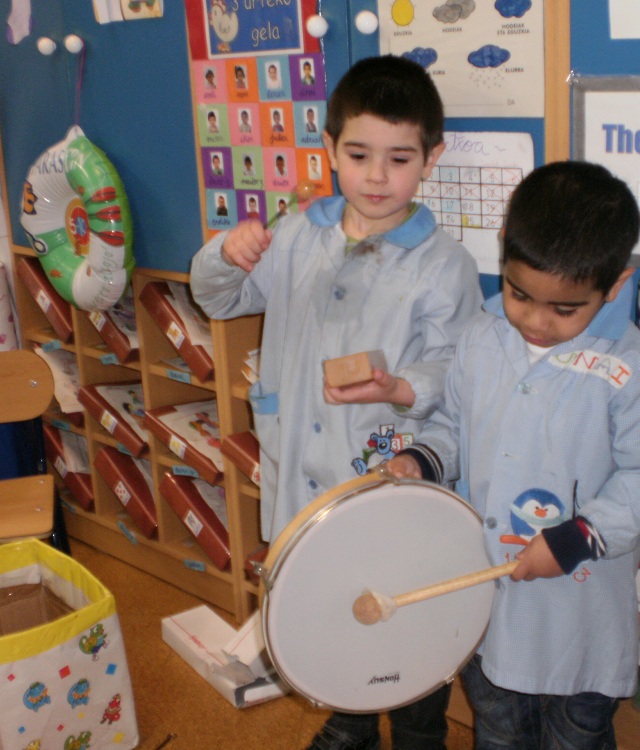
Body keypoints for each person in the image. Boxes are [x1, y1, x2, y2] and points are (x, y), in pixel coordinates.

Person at [190, 54, 483, 750]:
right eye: (358, 155)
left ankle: (416, 733)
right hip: (300, 477)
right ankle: (349, 720)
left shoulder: (444, 266)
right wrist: (226, 254)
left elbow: (457, 376)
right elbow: (219, 299)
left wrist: (400, 390)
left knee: (402, 613)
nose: (376, 177)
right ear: (329, 148)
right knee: (324, 606)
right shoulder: (296, 236)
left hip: (389, 478)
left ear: (431, 159)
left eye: (399, 159)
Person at [384, 161, 640, 750]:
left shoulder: (634, 372)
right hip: (488, 612)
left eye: (564, 309)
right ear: (504, 250)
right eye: (519, 294)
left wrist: (577, 537)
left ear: (614, 286)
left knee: (575, 738)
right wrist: (423, 460)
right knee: (498, 731)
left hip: (579, 618)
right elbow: (454, 426)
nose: (535, 320)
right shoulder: (480, 338)